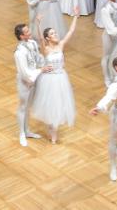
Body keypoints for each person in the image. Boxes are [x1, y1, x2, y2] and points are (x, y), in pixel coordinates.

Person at [31, 12, 79, 144]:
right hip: (49, 80)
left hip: (61, 78)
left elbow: (71, 30)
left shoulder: (61, 45)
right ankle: (52, 129)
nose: (55, 34)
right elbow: (40, 39)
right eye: (52, 33)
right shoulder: (45, 49)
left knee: (59, 102)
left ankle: (54, 128)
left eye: (55, 32)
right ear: (47, 38)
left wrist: (75, 16)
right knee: (50, 103)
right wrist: (38, 24)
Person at [13, 23, 48, 147]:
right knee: (23, 107)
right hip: (25, 82)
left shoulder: (32, 43)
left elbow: (38, 58)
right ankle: (22, 133)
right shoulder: (19, 53)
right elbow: (25, 73)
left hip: (34, 78)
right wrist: (40, 70)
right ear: (21, 36)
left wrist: (45, 64)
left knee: (28, 107)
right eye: (27, 31)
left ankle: (27, 130)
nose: (30, 32)